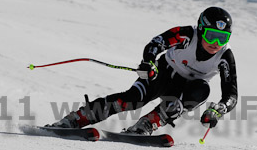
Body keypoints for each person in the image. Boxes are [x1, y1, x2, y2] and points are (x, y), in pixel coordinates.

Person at [48, 7, 238, 135]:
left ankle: (146, 124)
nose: (215, 43)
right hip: (163, 74)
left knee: (202, 90)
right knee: (131, 100)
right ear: (201, 30)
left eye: (222, 38)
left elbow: (231, 94)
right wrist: (149, 62)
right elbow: (157, 42)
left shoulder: (224, 55)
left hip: (184, 89)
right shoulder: (187, 34)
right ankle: (75, 119)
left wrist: (218, 110)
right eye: (211, 36)